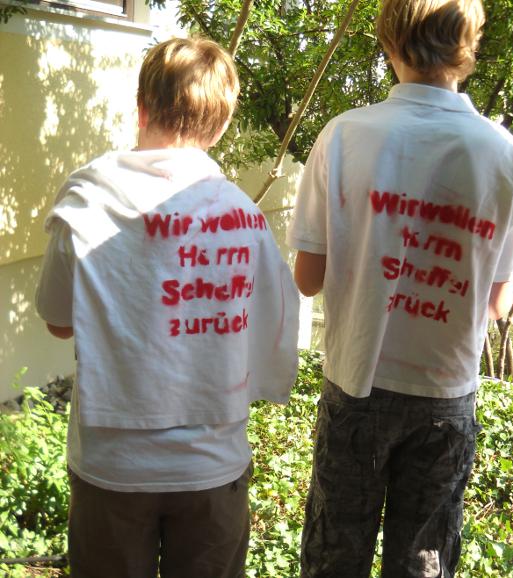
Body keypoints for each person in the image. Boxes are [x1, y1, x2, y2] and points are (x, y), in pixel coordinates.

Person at [286, 0, 513, 576]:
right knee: (422, 562)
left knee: (334, 557)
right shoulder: (502, 153)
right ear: (468, 46)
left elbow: (307, 280)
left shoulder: (345, 134)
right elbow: (500, 304)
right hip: (445, 395)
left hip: (356, 383)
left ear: (390, 42)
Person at [36, 37, 299, 578]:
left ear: (141, 107)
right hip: (212, 467)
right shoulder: (242, 217)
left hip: (113, 469)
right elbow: (272, 331)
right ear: (221, 125)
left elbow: (59, 322)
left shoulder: (86, 200)